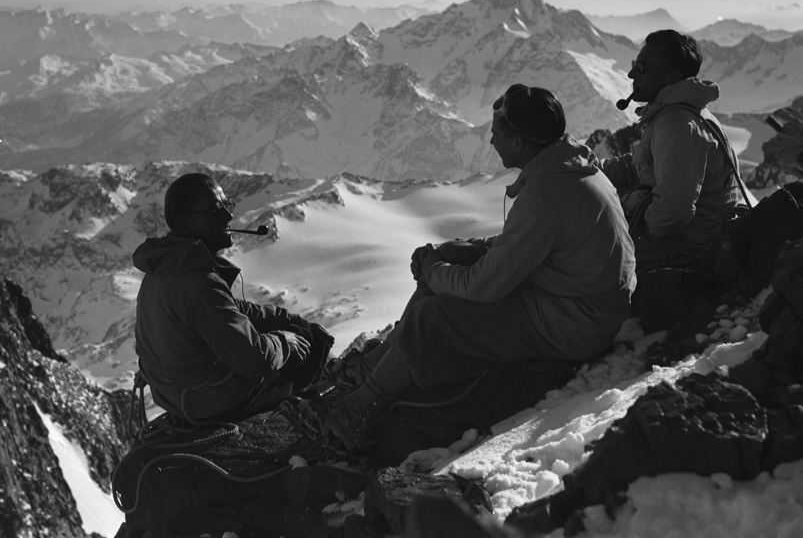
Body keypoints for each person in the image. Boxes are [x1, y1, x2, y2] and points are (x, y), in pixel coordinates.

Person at [286, 84, 636, 452]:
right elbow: (526, 247)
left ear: (518, 143)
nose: (490, 141)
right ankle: (373, 368)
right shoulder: (569, 167)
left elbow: (486, 286)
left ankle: (354, 414)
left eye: (496, 133)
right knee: (443, 279)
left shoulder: (544, 195)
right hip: (580, 300)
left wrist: (434, 270)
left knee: (433, 317)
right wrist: (459, 250)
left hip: (576, 321)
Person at [133, 172, 333, 423]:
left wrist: (282, 318)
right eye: (216, 210)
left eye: (227, 206)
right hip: (208, 402)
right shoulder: (200, 285)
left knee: (297, 329)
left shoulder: (164, 267)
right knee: (311, 342)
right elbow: (258, 360)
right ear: (185, 224)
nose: (228, 216)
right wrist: (286, 340)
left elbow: (227, 309)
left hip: (175, 396)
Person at [601, 30, 747, 271]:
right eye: (634, 64)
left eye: (642, 67)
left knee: (589, 255)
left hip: (691, 240)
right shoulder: (676, 113)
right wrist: (595, 169)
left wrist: (632, 223)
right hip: (689, 231)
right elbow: (647, 166)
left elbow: (672, 214)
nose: (631, 74)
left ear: (671, 77)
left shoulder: (676, 126)